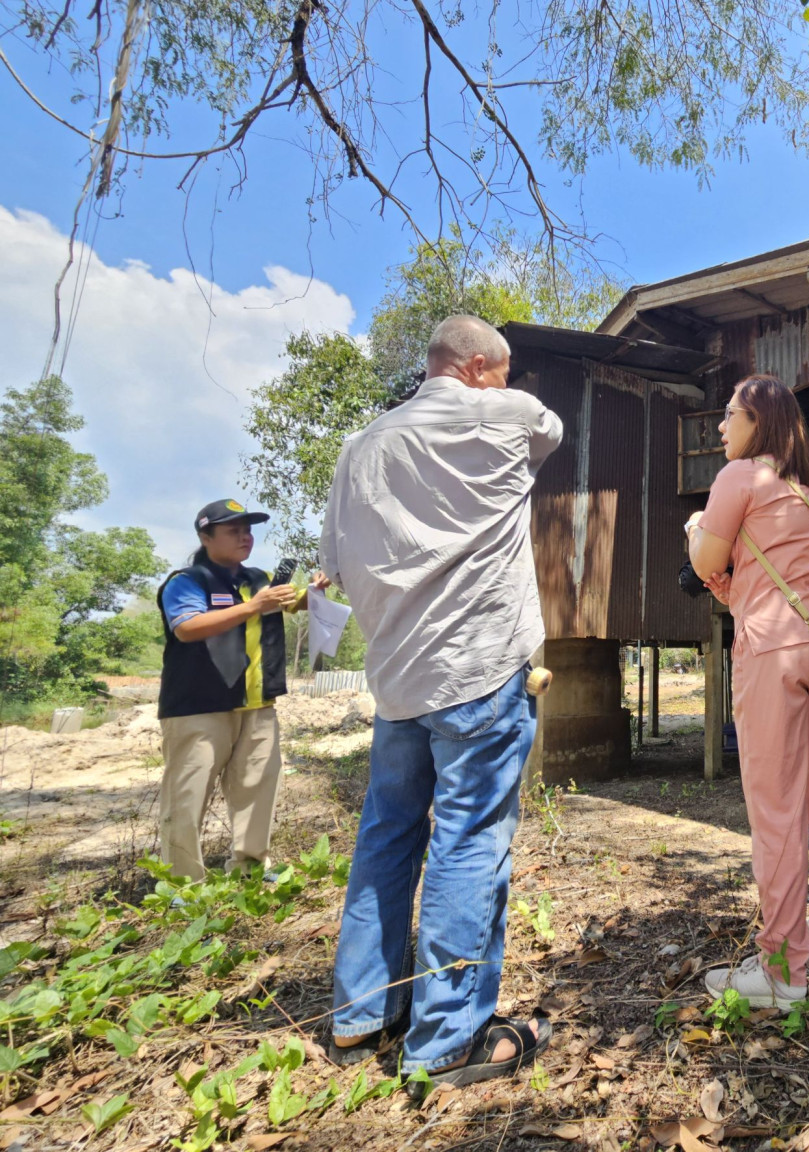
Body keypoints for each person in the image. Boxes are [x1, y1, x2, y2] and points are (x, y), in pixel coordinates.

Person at [320, 315, 563, 1088]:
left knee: (386, 837)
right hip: (479, 670)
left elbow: (336, 565)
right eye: (504, 370)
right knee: (468, 841)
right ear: (480, 366)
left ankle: (361, 1017)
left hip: (397, 680)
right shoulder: (507, 415)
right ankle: (447, 1041)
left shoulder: (358, 449)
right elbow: (551, 430)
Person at [686, 374, 809, 1009]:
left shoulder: (739, 477)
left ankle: (783, 969)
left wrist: (696, 527)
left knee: (776, 808)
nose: (720, 426)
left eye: (729, 414)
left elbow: (707, 562)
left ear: (758, 421)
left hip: (772, 652)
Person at [155, 499, 321, 881]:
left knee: (257, 790)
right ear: (205, 537)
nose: (245, 537)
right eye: (234, 531)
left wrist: (316, 590)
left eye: (248, 530)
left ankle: (250, 871)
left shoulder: (261, 580)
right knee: (186, 798)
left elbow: (298, 602)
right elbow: (187, 628)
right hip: (198, 707)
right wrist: (254, 607)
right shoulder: (187, 581)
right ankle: (182, 886)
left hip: (257, 706)